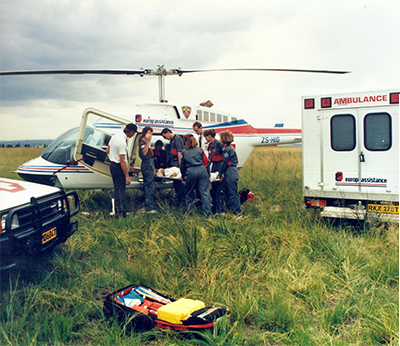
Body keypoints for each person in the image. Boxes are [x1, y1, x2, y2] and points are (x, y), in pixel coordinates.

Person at [106, 123, 137, 217]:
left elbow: (107, 150)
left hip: (112, 165)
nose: (132, 136)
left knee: (116, 188)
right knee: (121, 190)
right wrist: (127, 175)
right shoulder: (122, 142)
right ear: (131, 132)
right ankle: (121, 211)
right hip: (119, 166)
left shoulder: (116, 136)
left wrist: (112, 155)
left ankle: (117, 210)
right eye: (133, 133)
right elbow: (122, 160)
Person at [180, 134, 211, 217]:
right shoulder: (200, 149)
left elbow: (182, 165)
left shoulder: (184, 151)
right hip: (202, 170)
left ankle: (190, 213)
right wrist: (208, 174)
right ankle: (208, 214)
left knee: (189, 193)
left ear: (186, 142)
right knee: (205, 193)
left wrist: (183, 176)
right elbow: (206, 162)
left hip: (191, 171)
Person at [218, 130, 241, 216]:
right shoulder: (228, 148)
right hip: (229, 171)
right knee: (222, 191)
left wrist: (220, 174)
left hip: (230, 171)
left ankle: (237, 213)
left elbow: (223, 162)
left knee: (232, 193)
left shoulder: (228, 150)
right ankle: (227, 210)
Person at [161, 128, 185, 202]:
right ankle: (178, 197)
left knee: (179, 182)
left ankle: (182, 198)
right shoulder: (171, 141)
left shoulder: (177, 139)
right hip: (173, 163)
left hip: (177, 163)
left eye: (165, 136)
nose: (165, 138)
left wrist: (180, 164)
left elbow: (179, 152)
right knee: (175, 182)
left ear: (168, 132)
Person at [204, 129, 224, 214]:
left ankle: (220, 209)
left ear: (209, 136)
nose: (205, 139)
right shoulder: (209, 146)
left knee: (219, 190)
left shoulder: (219, 144)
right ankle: (215, 208)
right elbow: (209, 159)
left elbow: (224, 157)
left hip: (219, 166)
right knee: (213, 189)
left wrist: (222, 172)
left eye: (206, 137)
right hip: (213, 167)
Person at [139, 126, 157, 214]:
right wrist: (148, 141)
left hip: (149, 163)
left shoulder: (145, 142)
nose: (150, 135)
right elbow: (144, 152)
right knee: (149, 185)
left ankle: (148, 204)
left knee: (149, 184)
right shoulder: (144, 141)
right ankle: (150, 208)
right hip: (147, 163)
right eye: (149, 133)